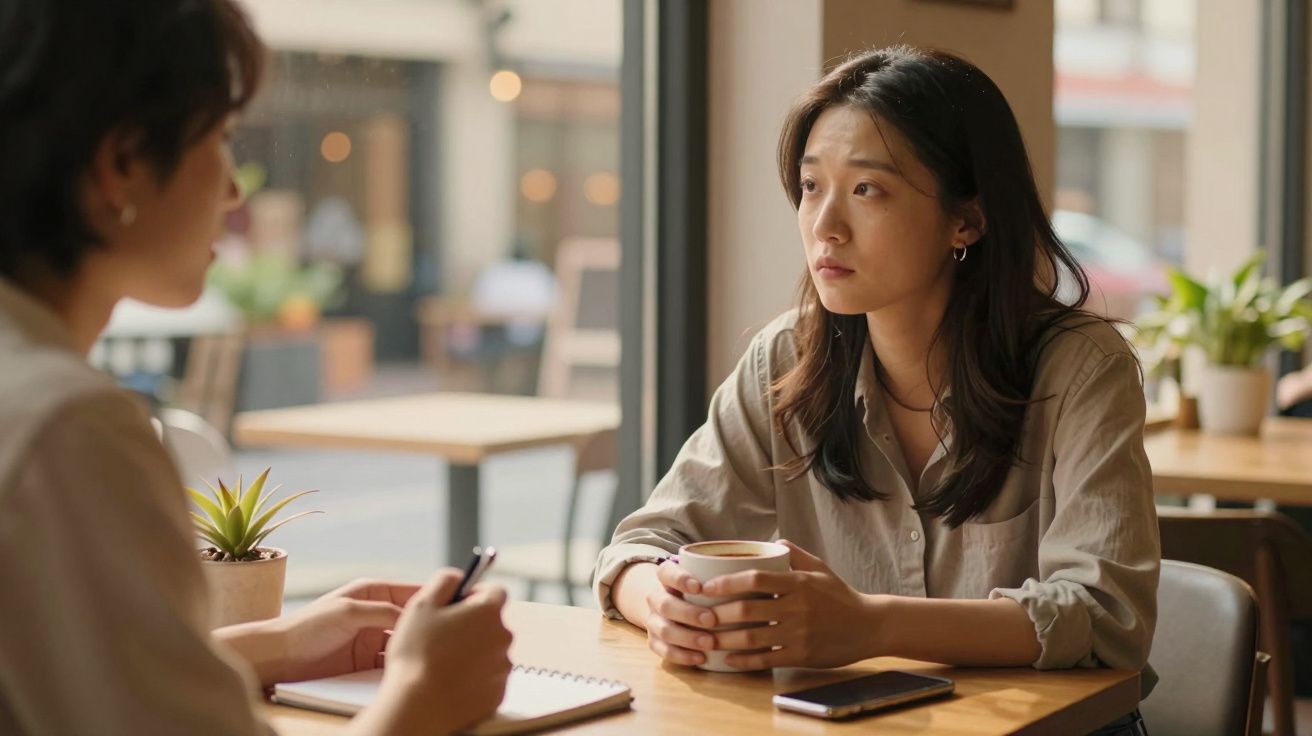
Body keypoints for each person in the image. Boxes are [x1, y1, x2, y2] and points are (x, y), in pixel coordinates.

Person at [594, 46, 1158, 735]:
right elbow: (644, 542)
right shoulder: (785, 358)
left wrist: (866, 624)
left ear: (967, 220)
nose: (824, 225)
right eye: (810, 187)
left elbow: (1105, 615)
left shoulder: (1080, 369)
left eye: (867, 190)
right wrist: (664, 603)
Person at [0, 1, 512, 734]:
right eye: (222, 140)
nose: (236, 191)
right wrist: (423, 696)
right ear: (121, 165)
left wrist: (283, 644)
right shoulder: (67, 430)